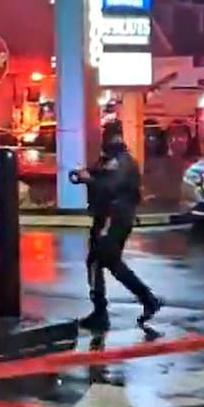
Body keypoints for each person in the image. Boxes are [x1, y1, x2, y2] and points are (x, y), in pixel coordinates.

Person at [69, 129, 162, 330]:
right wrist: (84, 175)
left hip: (113, 219)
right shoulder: (115, 160)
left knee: (97, 261)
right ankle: (146, 300)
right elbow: (100, 176)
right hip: (112, 218)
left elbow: (109, 187)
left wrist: (89, 179)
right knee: (110, 263)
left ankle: (103, 311)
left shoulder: (120, 162)